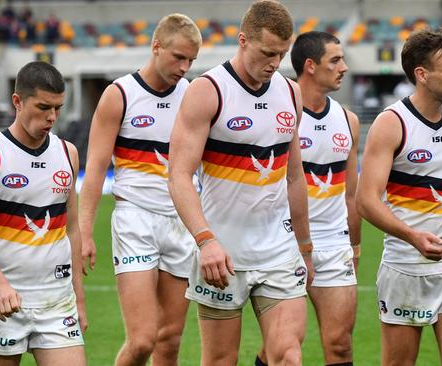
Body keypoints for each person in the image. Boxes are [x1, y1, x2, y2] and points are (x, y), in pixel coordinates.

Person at [168, 1, 312, 365]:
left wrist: (305, 246)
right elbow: (179, 176)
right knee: (220, 359)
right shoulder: (207, 91)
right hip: (222, 255)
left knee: (289, 356)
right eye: (267, 52)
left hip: (278, 251)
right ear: (243, 40)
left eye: (281, 54)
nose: (274, 62)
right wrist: (206, 240)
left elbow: (294, 176)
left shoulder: (290, 92)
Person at [78, 14, 201, 366]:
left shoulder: (192, 95)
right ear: (156, 46)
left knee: (170, 341)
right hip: (135, 221)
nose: (184, 67)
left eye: (191, 60)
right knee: (143, 338)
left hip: (180, 222)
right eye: (179, 57)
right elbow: (97, 167)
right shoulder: (119, 95)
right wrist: (85, 230)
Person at [356, 27, 442, 365]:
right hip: (405, 266)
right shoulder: (391, 123)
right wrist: (413, 237)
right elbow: (366, 199)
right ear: (422, 75)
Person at [256, 31, 361, 366]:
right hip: (284, 242)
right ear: (311, 66)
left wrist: (355, 247)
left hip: (333, 243)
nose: (344, 67)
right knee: (283, 346)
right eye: (336, 60)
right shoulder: (278, 114)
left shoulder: (348, 121)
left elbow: (351, 194)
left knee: (340, 345)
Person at [0, 61, 86, 365]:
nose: (52, 117)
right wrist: (0, 286)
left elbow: (72, 229)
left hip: (56, 302)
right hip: (1, 299)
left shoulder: (68, 153)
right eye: (43, 107)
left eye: (58, 107)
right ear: (17, 101)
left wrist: (79, 299)